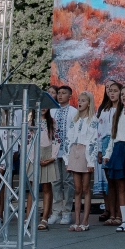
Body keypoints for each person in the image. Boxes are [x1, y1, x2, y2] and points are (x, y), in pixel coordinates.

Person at [65, 91, 99, 231]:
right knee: (77, 189)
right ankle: (77, 220)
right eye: (79, 100)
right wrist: (67, 159)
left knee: (86, 188)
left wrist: (91, 161)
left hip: (86, 152)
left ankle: (85, 221)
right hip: (75, 151)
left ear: (89, 103)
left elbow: (94, 141)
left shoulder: (93, 120)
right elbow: (69, 138)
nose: (80, 103)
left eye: (83, 100)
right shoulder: (75, 119)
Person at [105, 83, 125, 232]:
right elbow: (113, 136)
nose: (124, 96)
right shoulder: (116, 114)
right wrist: (107, 153)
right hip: (118, 148)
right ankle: (124, 220)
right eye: (122, 94)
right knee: (121, 186)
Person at [50, 85, 76, 225]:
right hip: (54, 152)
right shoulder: (52, 111)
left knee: (68, 182)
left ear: (70, 96)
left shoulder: (73, 112)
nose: (60, 95)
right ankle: (56, 212)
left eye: (63, 93)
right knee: (55, 182)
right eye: (58, 93)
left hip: (68, 152)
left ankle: (67, 212)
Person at [27, 107, 57, 231]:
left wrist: (52, 157)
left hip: (48, 154)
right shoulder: (30, 123)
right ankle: (28, 216)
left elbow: (57, 140)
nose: (43, 108)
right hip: (34, 155)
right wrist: (33, 158)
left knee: (46, 186)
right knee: (32, 187)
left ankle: (44, 217)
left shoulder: (52, 122)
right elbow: (28, 141)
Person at [96, 82, 120, 224]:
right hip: (105, 145)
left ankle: (119, 213)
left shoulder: (123, 110)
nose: (112, 93)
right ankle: (111, 213)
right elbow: (99, 132)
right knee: (110, 181)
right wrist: (100, 150)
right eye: (110, 91)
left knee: (119, 182)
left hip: (118, 143)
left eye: (115, 91)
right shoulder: (104, 110)